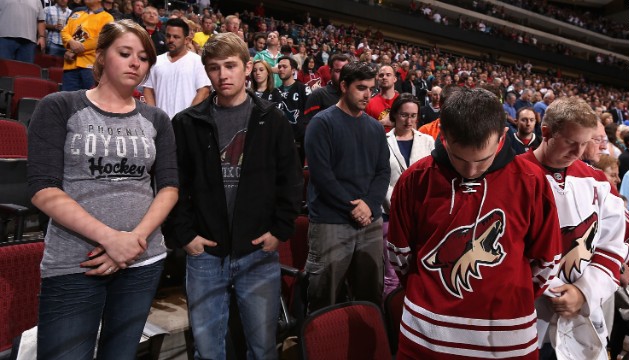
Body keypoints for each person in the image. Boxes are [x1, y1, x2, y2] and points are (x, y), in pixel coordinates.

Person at [28, 19, 178, 359]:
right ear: (102, 57)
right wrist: (111, 239)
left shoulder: (157, 119)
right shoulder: (60, 106)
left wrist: (133, 240)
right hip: (76, 261)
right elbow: (43, 189)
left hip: (143, 258)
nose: (136, 63)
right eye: (125, 53)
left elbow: (168, 186)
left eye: (143, 57)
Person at [387, 87, 563, 359]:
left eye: (482, 159)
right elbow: (399, 254)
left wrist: (510, 291)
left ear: (503, 137)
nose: (470, 170)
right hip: (426, 337)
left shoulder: (532, 181)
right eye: (459, 157)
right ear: (442, 135)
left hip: (508, 339)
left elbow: (547, 258)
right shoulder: (415, 178)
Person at [166, 32, 303, 360]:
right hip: (205, 253)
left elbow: (291, 181)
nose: (223, 74)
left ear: (247, 68)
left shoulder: (272, 119)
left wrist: (280, 232)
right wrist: (186, 237)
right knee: (208, 349)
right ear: (207, 72)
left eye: (230, 65)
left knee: (262, 348)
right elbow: (172, 185)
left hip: (257, 250)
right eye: (214, 68)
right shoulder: (186, 123)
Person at [522, 97, 627, 359]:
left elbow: (612, 245)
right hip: (528, 315)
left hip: (583, 315)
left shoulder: (599, 182)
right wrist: (552, 288)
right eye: (571, 142)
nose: (578, 152)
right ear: (546, 133)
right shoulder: (513, 175)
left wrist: (584, 291)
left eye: (585, 143)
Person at [304, 61, 390, 312]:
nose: (367, 95)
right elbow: (322, 175)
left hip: (369, 221)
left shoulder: (375, 127)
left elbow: (382, 171)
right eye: (361, 88)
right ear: (343, 85)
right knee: (324, 298)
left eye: (371, 89)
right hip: (332, 221)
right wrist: (354, 207)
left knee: (370, 297)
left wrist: (370, 205)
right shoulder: (323, 123)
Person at [382, 93, 434, 298]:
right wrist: (399, 203)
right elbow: (381, 177)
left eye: (413, 116)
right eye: (404, 115)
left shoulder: (428, 141)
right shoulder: (383, 140)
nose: (409, 120)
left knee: (417, 270)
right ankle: (388, 316)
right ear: (395, 114)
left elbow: (432, 176)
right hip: (390, 213)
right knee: (391, 274)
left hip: (421, 215)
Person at [143, 18, 210, 119]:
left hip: (187, 124)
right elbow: (148, 90)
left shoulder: (197, 61)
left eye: (176, 37)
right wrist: (154, 116)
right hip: (161, 124)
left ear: (186, 40)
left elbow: (203, 91)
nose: (171, 40)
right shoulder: (156, 61)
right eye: (168, 36)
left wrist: (188, 117)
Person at [61, 0, 114, 91]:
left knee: (89, 101)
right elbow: (64, 32)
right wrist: (70, 41)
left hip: (90, 66)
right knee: (68, 101)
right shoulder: (76, 14)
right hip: (70, 65)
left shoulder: (107, 18)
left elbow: (100, 39)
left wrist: (73, 50)